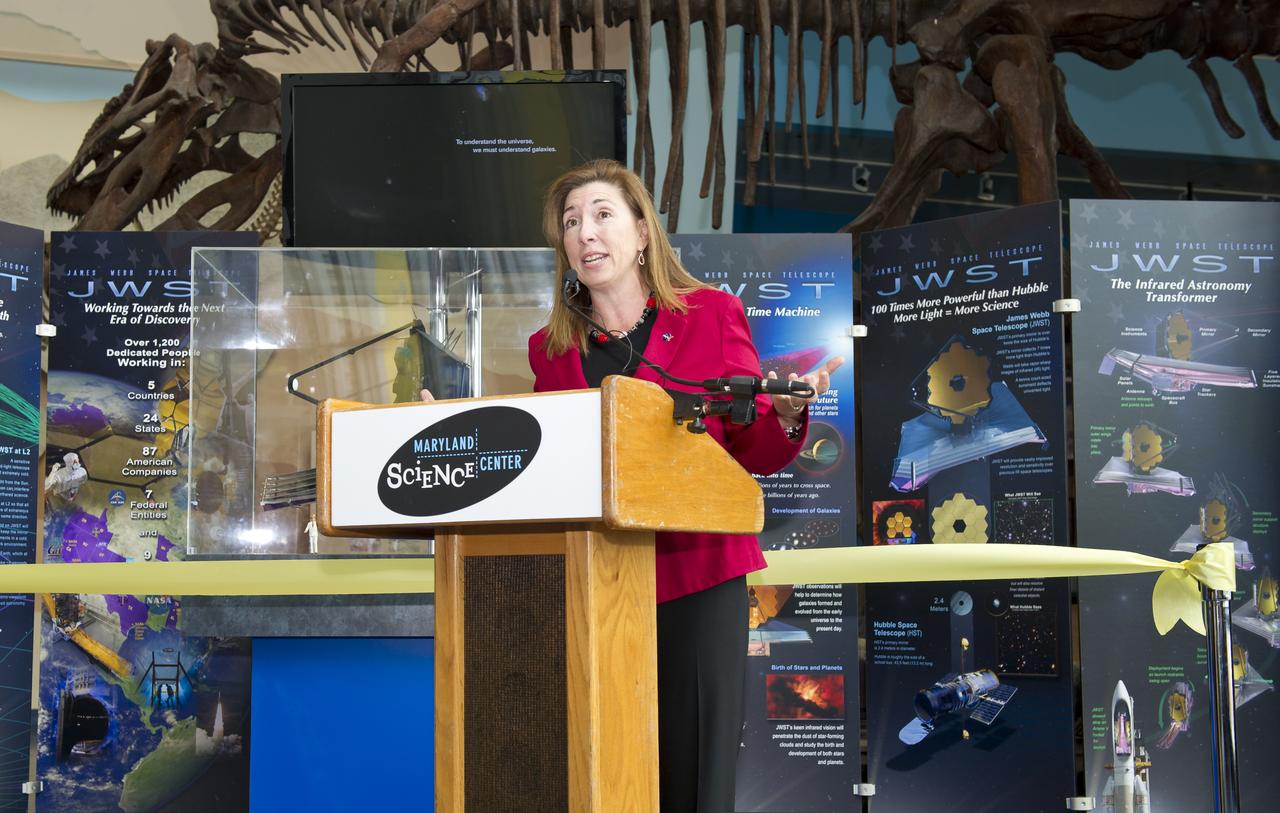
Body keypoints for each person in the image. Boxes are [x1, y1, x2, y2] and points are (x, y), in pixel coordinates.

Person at [530, 158, 842, 812]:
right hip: (602, 581)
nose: (585, 232)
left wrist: (785, 415)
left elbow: (751, 450)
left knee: (694, 771)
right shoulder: (551, 349)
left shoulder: (711, 314)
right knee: (605, 764)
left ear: (643, 232)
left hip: (699, 575)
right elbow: (548, 461)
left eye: (602, 214)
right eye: (571, 221)